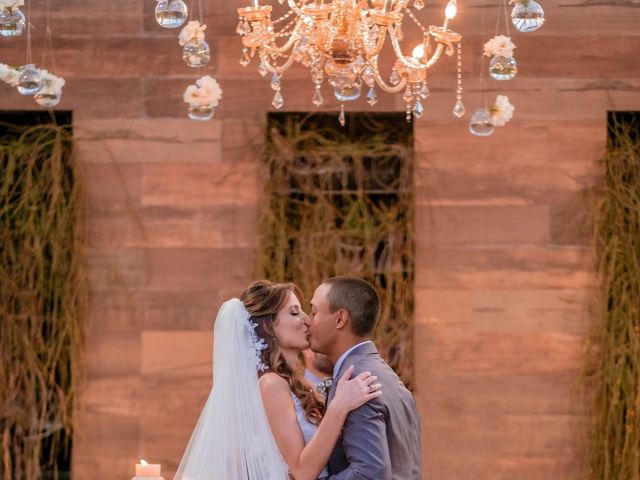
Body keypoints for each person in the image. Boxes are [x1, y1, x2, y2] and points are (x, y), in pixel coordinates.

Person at [173, 280, 382, 480]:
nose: (306, 319)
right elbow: (302, 472)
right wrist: (339, 407)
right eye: (294, 312)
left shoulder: (294, 383)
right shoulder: (271, 384)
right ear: (269, 327)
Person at [308, 276, 422, 480]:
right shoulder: (389, 378)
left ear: (340, 319)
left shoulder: (357, 382)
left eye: (314, 312)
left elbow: (369, 474)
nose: (307, 320)